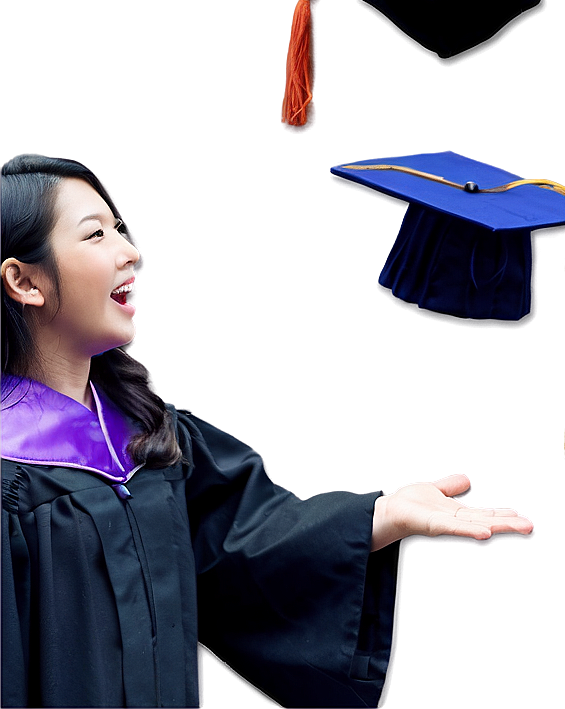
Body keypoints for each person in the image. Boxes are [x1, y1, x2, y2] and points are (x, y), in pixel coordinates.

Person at [0, 152, 534, 708]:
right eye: (95, 235)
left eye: (120, 229)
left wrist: (379, 518)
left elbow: (241, 544)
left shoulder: (143, 436)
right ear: (24, 281)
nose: (130, 251)